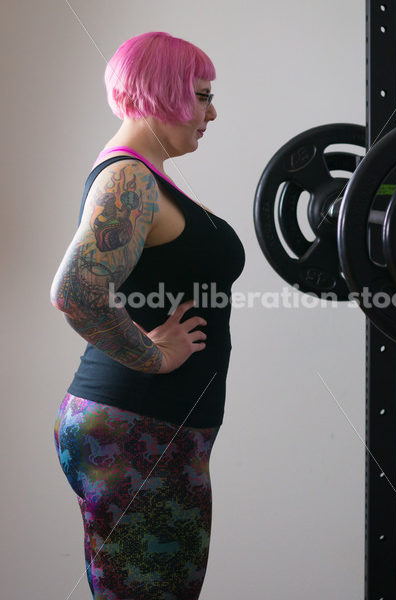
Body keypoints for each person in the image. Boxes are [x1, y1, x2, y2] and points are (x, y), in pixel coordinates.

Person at [50, 31, 245, 599]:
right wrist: (155, 358)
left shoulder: (144, 178)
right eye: (203, 96)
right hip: (139, 430)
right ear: (165, 93)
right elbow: (75, 293)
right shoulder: (129, 178)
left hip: (151, 430)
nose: (213, 112)